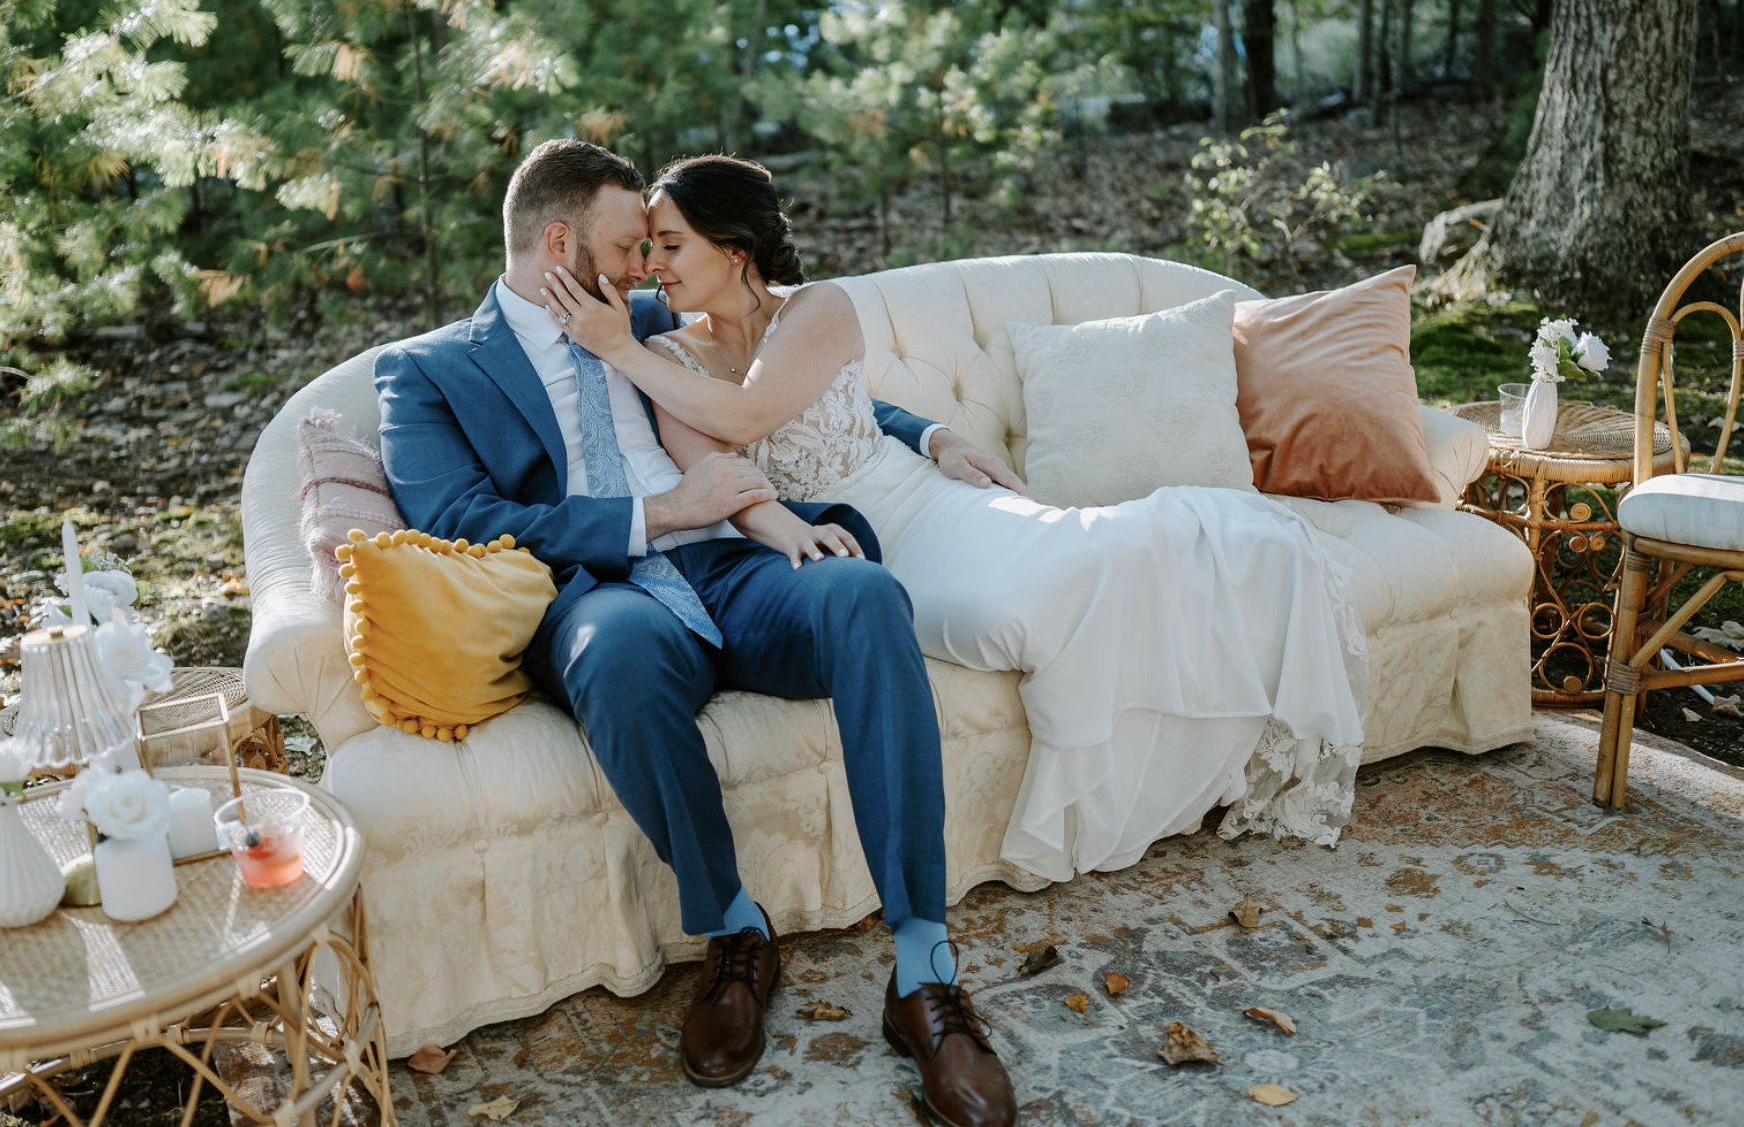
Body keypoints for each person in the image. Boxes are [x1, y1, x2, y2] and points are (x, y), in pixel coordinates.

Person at [374, 139, 1018, 1127]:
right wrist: (657, 517)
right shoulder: (426, 375)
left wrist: (924, 431)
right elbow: (459, 520)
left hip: (738, 565)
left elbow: (777, 383)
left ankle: (924, 972)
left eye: (652, 250)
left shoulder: (643, 320)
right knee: (616, 653)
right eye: (629, 246)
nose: (645, 268)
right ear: (558, 244)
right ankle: (734, 931)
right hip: (609, 589)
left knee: (863, 594)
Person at [543, 154, 1370, 885]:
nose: (652, 264)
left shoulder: (819, 310)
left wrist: (932, 435)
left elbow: (757, 411)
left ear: (735, 250)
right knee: (1006, 618)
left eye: (671, 243)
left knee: (1082, 561)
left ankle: (1216, 566)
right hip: (863, 550)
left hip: (922, 501)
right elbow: (717, 471)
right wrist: (775, 522)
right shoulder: (666, 358)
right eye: (647, 245)